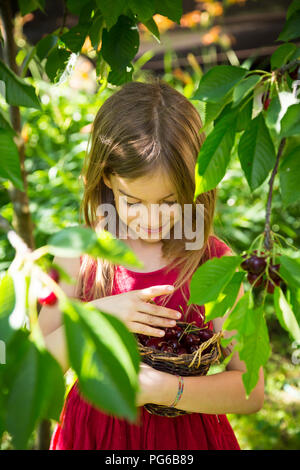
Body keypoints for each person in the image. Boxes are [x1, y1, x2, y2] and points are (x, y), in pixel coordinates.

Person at [39, 78, 264, 450]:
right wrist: (96, 318)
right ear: (108, 179)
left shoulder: (213, 263)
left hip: (186, 441)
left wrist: (167, 389)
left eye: (169, 201)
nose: (152, 218)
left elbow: (251, 391)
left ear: (196, 185)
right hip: (94, 436)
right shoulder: (78, 254)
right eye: (133, 201)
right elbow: (40, 370)